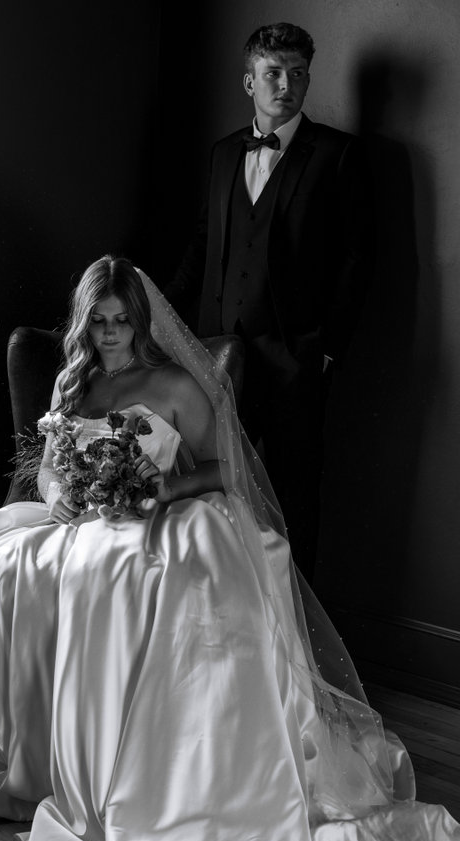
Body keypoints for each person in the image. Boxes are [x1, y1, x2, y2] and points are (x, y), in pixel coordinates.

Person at [0, 255, 459, 841]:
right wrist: (59, 496)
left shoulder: (176, 386)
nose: (110, 334)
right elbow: (52, 466)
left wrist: (161, 490)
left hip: (153, 518)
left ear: (140, 322)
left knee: (108, 575)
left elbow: (225, 470)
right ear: (84, 323)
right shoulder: (70, 383)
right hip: (74, 520)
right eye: (99, 321)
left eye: (122, 321)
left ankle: (116, 780)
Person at [165, 22, 375, 582]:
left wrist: (326, 348)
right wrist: (159, 315)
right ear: (248, 81)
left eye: (298, 73)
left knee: (294, 497)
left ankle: (297, 645)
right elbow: (206, 241)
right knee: (212, 488)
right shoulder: (223, 153)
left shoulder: (337, 155)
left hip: (293, 357)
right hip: (216, 356)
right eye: (273, 73)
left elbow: (358, 260)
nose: (287, 84)